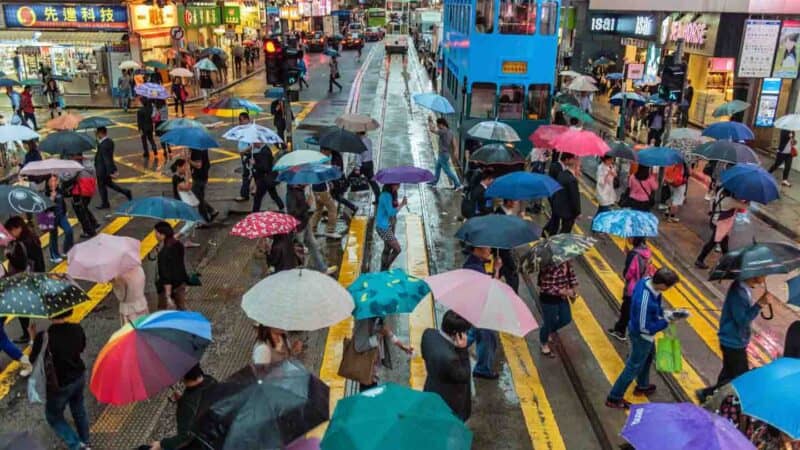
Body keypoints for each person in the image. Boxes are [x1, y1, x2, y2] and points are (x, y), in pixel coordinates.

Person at [606, 268, 681, 409]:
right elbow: (644, 328)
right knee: (633, 366)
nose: (669, 289)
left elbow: (656, 304)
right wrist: (667, 320)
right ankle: (614, 397)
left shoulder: (646, 281)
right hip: (641, 336)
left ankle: (643, 385)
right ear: (662, 284)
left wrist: (662, 313)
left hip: (643, 333)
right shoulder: (644, 302)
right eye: (669, 286)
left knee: (648, 357)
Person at [696, 275, 772, 402]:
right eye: (763, 274)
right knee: (740, 377)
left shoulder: (743, 287)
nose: (765, 278)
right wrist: (760, 304)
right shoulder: (739, 293)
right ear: (754, 275)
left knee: (728, 373)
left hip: (734, 339)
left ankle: (714, 399)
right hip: (733, 342)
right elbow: (742, 320)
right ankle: (706, 394)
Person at [29, 310, 90, 450]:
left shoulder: (44, 337)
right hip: (78, 376)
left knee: (53, 416)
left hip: (59, 384)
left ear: (50, 315)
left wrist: (33, 338)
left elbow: (34, 360)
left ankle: (77, 446)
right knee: (78, 408)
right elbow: (81, 347)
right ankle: (86, 441)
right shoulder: (77, 328)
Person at [149, 364, 217, 450]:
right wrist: (183, 400)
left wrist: (161, 444)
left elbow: (185, 437)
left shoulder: (187, 405)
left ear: (181, 376)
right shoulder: (210, 380)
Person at [421, 310, 473, 421]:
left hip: (431, 388)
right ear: (458, 334)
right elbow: (464, 375)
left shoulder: (428, 334)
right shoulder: (450, 359)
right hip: (449, 402)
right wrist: (463, 350)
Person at [463, 245, 502, 379]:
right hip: (480, 309)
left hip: (475, 308)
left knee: (474, 333)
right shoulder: (475, 268)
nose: (490, 250)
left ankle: (454, 348)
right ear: (477, 249)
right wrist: (496, 270)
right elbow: (490, 289)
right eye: (487, 247)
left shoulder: (475, 263)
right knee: (487, 338)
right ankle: (482, 369)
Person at [5, 216, 44, 343]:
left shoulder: (21, 243)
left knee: (20, 306)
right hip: (36, 274)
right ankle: (29, 331)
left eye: (11, 231)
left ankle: (27, 334)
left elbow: (20, 264)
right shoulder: (33, 237)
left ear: (18, 228)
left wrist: (9, 255)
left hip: (23, 279)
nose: (10, 234)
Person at [608, 237, 654, 341]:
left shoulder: (633, 254)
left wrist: (629, 257)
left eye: (631, 236)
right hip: (643, 286)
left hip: (632, 288)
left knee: (626, 310)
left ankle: (620, 331)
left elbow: (628, 274)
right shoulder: (646, 251)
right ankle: (620, 329)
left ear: (635, 239)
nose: (628, 238)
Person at [286, 184, 337, 275]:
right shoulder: (291, 195)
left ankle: (322, 269)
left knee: (313, 245)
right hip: (299, 227)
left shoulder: (300, 190)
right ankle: (297, 274)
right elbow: (293, 212)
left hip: (305, 223)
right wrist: (307, 205)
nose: (307, 183)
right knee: (298, 252)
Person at [353, 317, 413, 391]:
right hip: (366, 369)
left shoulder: (378, 318)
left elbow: (388, 333)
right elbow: (359, 346)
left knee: (373, 391)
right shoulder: (364, 321)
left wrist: (403, 347)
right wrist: (378, 336)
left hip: (374, 369)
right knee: (368, 394)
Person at [694, 189, 748, 269]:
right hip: (721, 224)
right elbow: (745, 206)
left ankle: (727, 262)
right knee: (713, 242)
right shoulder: (729, 201)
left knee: (724, 244)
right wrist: (748, 200)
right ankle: (700, 259)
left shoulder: (720, 192)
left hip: (717, 221)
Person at [537, 261, 578, 357]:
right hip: (549, 299)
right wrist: (562, 291)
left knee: (566, 318)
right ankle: (544, 342)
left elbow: (571, 276)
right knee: (549, 322)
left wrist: (574, 289)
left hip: (562, 298)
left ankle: (549, 331)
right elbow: (545, 287)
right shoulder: (549, 266)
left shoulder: (567, 263)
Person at [154, 221, 189, 310]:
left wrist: (168, 296)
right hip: (180, 282)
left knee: (163, 312)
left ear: (162, 235)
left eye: (156, 233)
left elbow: (165, 275)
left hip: (170, 287)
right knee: (182, 307)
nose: (155, 235)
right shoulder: (178, 244)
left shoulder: (164, 252)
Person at [95, 126, 132, 209]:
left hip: (102, 169)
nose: (96, 134)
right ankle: (126, 192)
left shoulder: (103, 145)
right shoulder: (109, 142)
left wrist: (110, 171)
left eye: (97, 133)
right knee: (110, 184)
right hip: (104, 169)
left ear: (101, 133)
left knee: (101, 186)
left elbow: (106, 159)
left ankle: (105, 203)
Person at [545, 152, 580, 236]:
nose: (574, 161)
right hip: (557, 198)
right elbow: (574, 195)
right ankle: (550, 234)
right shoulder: (557, 168)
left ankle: (548, 232)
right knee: (558, 222)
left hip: (560, 200)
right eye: (573, 159)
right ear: (567, 159)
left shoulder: (564, 172)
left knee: (555, 219)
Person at [170, 158, 200, 248]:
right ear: (179, 167)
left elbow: (190, 184)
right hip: (182, 203)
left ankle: (187, 241)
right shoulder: (176, 178)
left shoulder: (182, 176)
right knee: (191, 222)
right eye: (184, 167)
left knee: (192, 222)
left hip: (187, 202)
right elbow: (187, 187)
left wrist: (188, 175)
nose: (186, 168)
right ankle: (176, 237)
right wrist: (188, 174)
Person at [376, 183, 407, 271]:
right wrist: (402, 204)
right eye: (397, 185)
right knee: (397, 249)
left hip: (388, 224)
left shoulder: (393, 194)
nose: (399, 186)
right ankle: (385, 269)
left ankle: (383, 269)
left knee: (387, 248)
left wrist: (398, 203)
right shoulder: (386, 196)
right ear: (391, 185)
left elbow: (393, 208)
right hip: (383, 227)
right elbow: (391, 212)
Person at [427, 117, 462, 190]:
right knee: (437, 168)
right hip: (445, 153)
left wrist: (430, 121)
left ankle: (458, 184)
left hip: (443, 154)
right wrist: (455, 151)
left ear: (441, 124)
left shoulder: (443, 131)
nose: (437, 126)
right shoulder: (450, 131)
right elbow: (454, 143)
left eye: (438, 125)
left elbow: (432, 130)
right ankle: (434, 182)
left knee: (447, 171)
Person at [45, 175, 74, 263]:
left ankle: (67, 250)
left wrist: (65, 211)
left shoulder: (59, 190)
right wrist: (51, 198)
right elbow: (45, 208)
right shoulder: (45, 193)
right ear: (47, 183)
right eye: (51, 181)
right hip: (51, 217)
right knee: (53, 236)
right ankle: (54, 256)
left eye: (55, 181)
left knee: (69, 231)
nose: (53, 183)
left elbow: (63, 202)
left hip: (61, 215)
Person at [494, 199, 520, 291]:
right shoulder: (500, 214)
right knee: (513, 275)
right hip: (503, 252)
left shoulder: (508, 212)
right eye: (515, 200)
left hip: (505, 252)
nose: (516, 202)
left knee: (499, 272)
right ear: (509, 201)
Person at [251, 144, 284, 213]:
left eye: (254, 142)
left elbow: (265, 167)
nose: (253, 144)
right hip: (268, 179)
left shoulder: (264, 152)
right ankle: (282, 207)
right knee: (273, 194)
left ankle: (254, 214)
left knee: (257, 198)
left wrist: (254, 164)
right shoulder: (265, 149)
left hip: (264, 179)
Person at [189, 147, 218, 223]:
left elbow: (198, 165)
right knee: (199, 197)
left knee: (197, 199)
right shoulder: (201, 146)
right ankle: (212, 211)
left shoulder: (196, 149)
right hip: (203, 175)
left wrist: (187, 159)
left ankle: (204, 220)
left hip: (199, 177)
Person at [354, 131, 380, 203]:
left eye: (356, 133)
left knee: (351, 178)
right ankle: (378, 197)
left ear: (358, 133)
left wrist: (357, 167)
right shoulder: (369, 140)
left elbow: (359, 155)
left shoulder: (359, 142)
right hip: (370, 163)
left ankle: (341, 192)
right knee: (372, 181)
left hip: (363, 164)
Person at [235, 112, 253, 202]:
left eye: (241, 120)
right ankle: (255, 188)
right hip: (244, 155)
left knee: (246, 175)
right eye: (239, 120)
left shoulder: (250, 130)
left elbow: (253, 145)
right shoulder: (243, 129)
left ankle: (244, 195)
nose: (240, 122)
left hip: (247, 155)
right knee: (251, 174)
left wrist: (243, 151)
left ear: (247, 119)